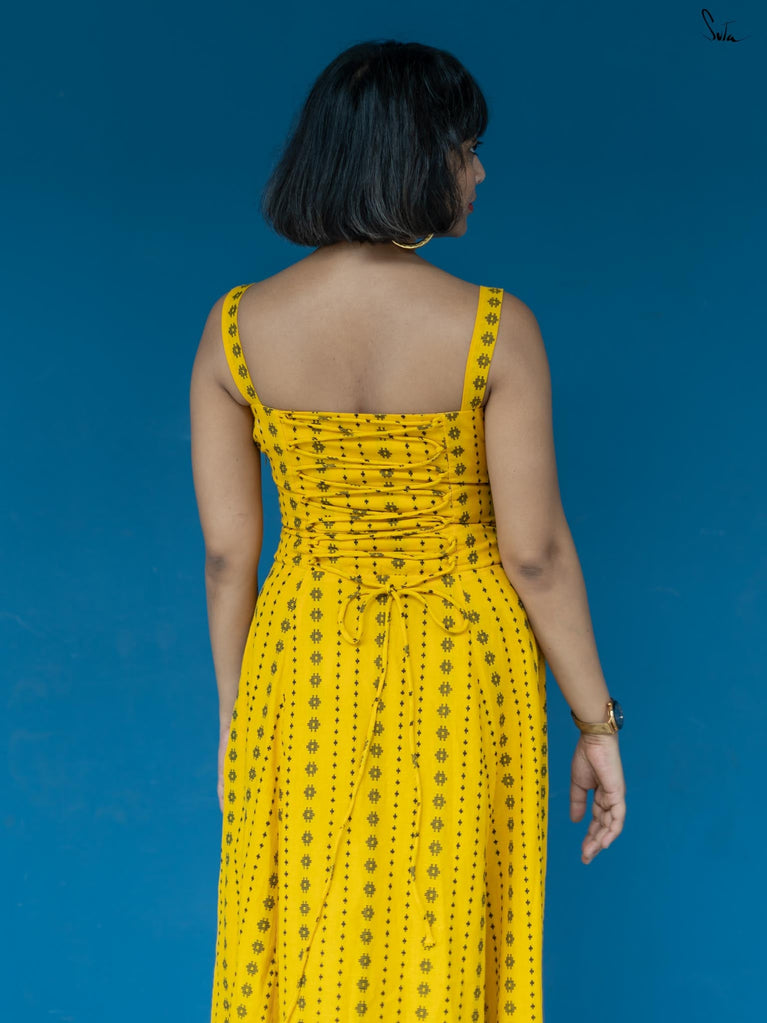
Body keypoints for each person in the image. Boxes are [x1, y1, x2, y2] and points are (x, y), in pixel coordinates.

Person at [190, 38, 626, 1023]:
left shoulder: (234, 328)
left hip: (301, 660)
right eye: (467, 148)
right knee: (447, 929)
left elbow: (226, 556)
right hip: (464, 660)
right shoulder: (493, 327)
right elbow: (533, 554)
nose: (479, 172)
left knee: (299, 929)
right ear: (415, 157)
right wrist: (594, 723)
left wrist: (234, 716)